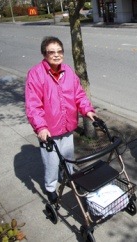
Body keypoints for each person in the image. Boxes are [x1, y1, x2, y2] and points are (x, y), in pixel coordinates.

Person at [25, 36, 97, 203]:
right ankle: (50, 188)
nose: (56, 55)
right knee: (51, 162)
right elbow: (33, 106)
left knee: (68, 157)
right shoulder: (36, 74)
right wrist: (41, 127)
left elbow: (79, 94)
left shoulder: (68, 72)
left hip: (67, 125)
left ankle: (70, 177)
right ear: (44, 54)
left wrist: (87, 110)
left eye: (59, 51)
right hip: (48, 131)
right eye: (52, 52)